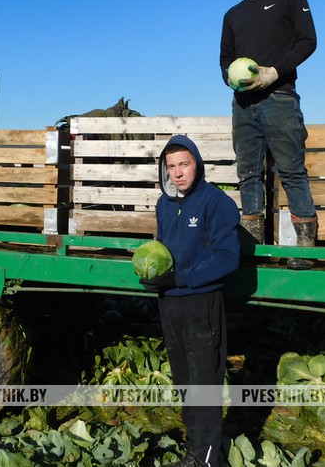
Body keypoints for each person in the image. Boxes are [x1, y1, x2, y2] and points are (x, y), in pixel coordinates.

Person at [140, 135, 240, 467]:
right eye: (171, 166)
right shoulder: (163, 204)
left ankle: (209, 460)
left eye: (184, 164)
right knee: (184, 382)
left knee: (204, 384)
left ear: (197, 164)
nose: (178, 173)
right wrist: (155, 276)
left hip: (201, 303)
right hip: (170, 303)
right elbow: (163, 250)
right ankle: (195, 452)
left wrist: (180, 278)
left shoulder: (217, 203)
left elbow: (227, 258)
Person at [219, 0, 317, 269]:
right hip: (243, 103)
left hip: (280, 98)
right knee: (248, 173)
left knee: (291, 169)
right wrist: (231, 79)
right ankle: (252, 248)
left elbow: (308, 40)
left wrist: (275, 71)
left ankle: (305, 246)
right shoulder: (232, 15)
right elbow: (225, 59)